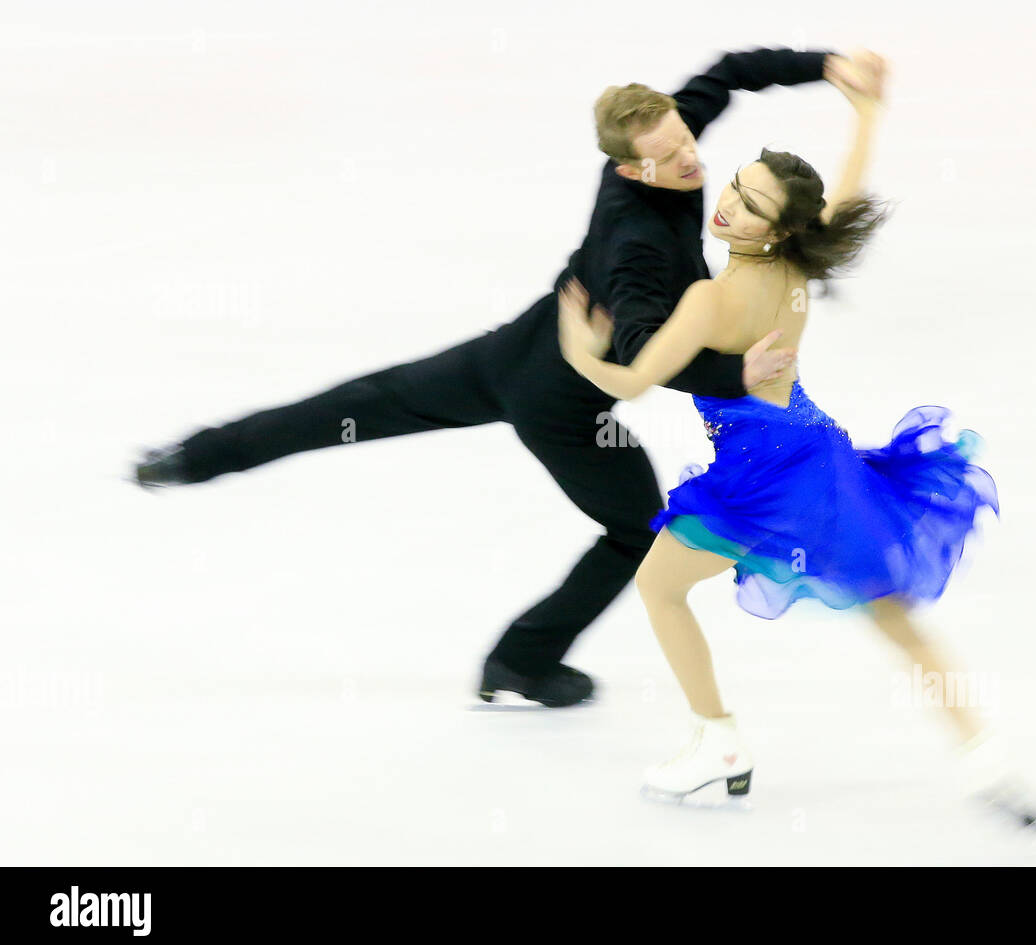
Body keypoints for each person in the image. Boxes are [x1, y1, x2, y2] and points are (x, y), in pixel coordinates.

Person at [133, 48, 883, 708]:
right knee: (634, 530)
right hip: (560, 401)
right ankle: (520, 663)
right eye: (669, 157)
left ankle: (192, 458)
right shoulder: (638, 241)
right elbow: (642, 349)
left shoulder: (661, 140)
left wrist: (823, 66)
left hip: (511, 350)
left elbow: (726, 74)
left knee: (357, 404)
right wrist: (736, 372)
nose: (691, 162)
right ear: (628, 168)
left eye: (686, 140)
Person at [558, 53, 1036, 827]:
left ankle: (718, 742)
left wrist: (577, 343)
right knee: (889, 613)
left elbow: (629, 382)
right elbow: (845, 191)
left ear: (777, 226)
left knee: (659, 588)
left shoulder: (710, 300)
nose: (726, 207)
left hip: (761, 482)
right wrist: (866, 113)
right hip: (820, 457)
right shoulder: (796, 255)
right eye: (737, 185)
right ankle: (986, 757)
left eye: (749, 205)